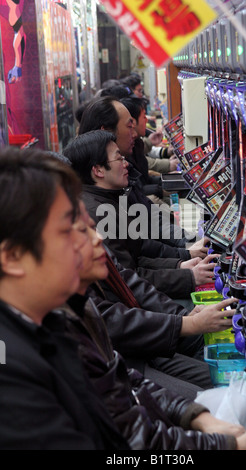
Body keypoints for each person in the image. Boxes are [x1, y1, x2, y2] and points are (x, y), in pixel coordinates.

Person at [63, 201, 246, 451]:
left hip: (141, 352)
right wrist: (226, 444)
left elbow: (123, 379)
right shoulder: (38, 346)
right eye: (79, 231)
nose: (98, 237)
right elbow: (135, 437)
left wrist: (199, 417)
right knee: (212, 389)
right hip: (139, 349)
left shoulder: (74, 309)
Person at [0, 146, 129, 450]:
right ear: (13, 257)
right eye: (68, 229)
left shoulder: (48, 322)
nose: (92, 239)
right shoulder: (11, 374)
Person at [63, 129, 216, 301]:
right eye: (119, 158)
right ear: (98, 170)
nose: (125, 163)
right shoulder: (98, 212)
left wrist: (181, 262)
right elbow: (129, 279)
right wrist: (185, 318)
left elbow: (136, 256)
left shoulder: (110, 197)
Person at [76, 94, 206, 249]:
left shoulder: (120, 169)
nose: (136, 134)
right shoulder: (98, 202)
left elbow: (148, 218)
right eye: (129, 126)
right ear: (106, 132)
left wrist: (188, 248)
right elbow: (137, 256)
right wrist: (185, 258)